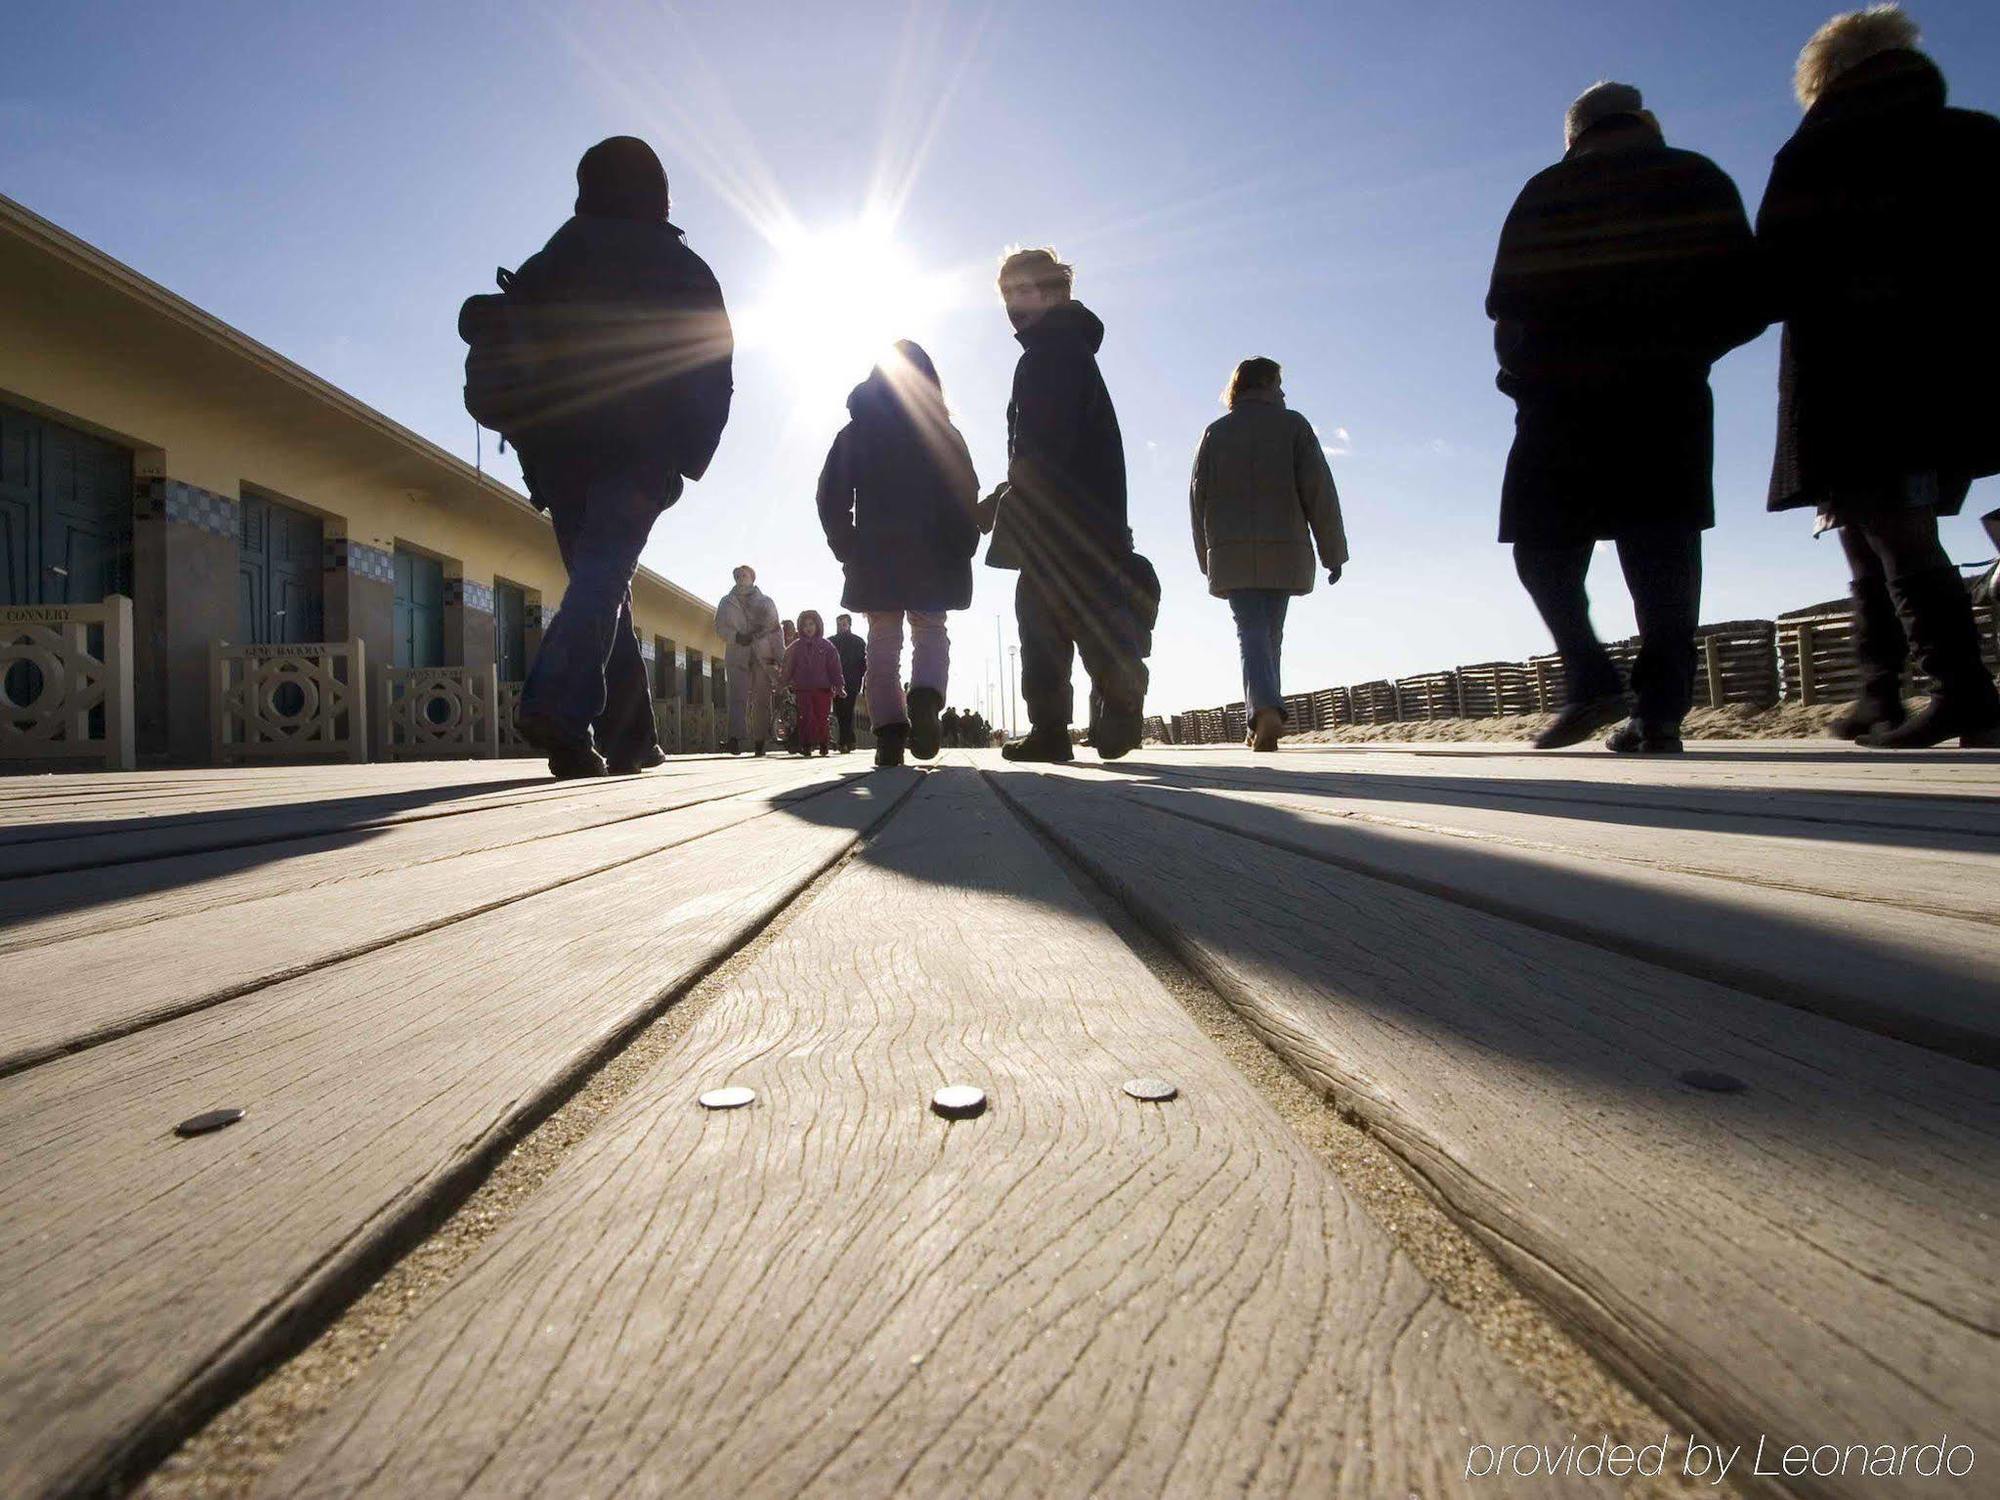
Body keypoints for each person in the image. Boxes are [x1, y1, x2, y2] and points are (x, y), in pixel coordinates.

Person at [1488, 83, 1765, 755]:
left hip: (1561, 400)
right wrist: (1689, 353)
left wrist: (1522, 380)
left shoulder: (1546, 190)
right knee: (1662, 554)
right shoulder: (1698, 177)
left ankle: (1589, 677)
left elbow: (1508, 306)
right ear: (1644, 123)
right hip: (1665, 395)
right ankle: (1658, 713)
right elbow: (1751, 298)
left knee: (1543, 549)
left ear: (1574, 135)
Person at [1757, 6, 2000, 749]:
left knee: (1894, 530)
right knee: (1871, 526)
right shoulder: (1977, 135)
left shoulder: (1819, 149)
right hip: (1962, 361)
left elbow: (1774, 273)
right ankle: (1878, 690)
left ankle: (1964, 694)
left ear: (1823, 77)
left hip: (1855, 368)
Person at [504, 136, 733, 778]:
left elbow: (511, 362)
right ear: (659, 192)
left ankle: (630, 737)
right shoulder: (681, 265)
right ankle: (555, 704)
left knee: (601, 581)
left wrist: (533, 454)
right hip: (637, 450)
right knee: (604, 576)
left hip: (558, 452)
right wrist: (688, 453)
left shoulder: (554, 256)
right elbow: (714, 369)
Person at [979, 248, 1150, 763]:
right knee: (1071, 613)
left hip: (1059, 519)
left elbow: (1040, 445)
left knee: (1045, 618)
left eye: (1023, 291)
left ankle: (1066, 722)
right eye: (1006, 294)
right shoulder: (1069, 351)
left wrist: (999, 501)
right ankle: (1097, 708)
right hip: (1088, 517)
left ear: (1053, 292)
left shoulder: (1047, 356)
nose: (1012, 304)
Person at [816, 341, 981, 768]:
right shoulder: (944, 431)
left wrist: (846, 545)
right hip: (934, 553)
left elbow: (830, 495)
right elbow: (966, 493)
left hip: (876, 553)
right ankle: (925, 699)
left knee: (882, 644)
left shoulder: (856, 432)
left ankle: (890, 733)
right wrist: (961, 545)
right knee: (930, 630)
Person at [1189, 357, 1349, 753]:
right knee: (1270, 633)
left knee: (1252, 632)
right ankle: (1265, 710)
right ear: (1263, 384)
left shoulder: (1216, 433)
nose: (1283, 392)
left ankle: (1262, 712)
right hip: (1285, 549)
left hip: (1232, 553)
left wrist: (1205, 558)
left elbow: (1197, 500)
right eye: (1279, 383)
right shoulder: (1294, 426)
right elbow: (1319, 492)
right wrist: (1333, 552)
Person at [715, 565, 782, 754]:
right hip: (737, 652)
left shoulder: (766, 602)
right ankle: (735, 739)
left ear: (753, 577)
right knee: (737, 696)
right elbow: (719, 627)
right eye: (737, 575)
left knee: (762, 698)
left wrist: (780, 658)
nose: (740, 577)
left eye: (744, 574)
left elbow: (776, 630)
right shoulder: (726, 602)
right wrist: (736, 636)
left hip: (763, 655)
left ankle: (760, 741)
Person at [781, 609, 845, 757]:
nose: (808, 628)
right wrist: (782, 683)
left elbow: (835, 667)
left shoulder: (827, 646)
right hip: (803, 688)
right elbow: (788, 666)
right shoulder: (795, 647)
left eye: (811, 624)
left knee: (821, 716)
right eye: (805, 625)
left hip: (823, 688)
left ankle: (823, 743)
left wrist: (839, 686)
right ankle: (806, 744)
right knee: (805, 716)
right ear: (800, 628)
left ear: (818, 626)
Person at [829, 613, 868, 752]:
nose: (841, 627)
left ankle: (844, 741)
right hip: (836, 680)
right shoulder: (831, 642)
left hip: (852, 681)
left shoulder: (858, 642)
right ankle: (848, 740)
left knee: (848, 710)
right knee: (840, 711)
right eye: (839, 624)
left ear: (849, 625)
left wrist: (862, 680)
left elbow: (864, 663)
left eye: (843, 624)